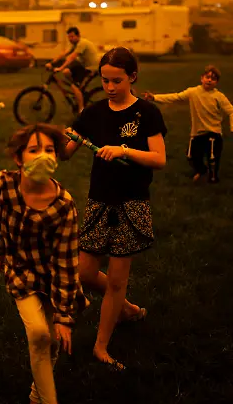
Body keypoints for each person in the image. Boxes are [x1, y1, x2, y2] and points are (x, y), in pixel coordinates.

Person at [63, 47, 167, 370]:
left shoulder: (147, 113)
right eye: (105, 80)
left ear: (133, 77)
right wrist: (55, 139)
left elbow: (159, 159)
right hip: (99, 201)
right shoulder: (93, 113)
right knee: (84, 273)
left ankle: (101, 347)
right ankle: (128, 309)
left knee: (118, 281)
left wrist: (123, 150)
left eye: (117, 81)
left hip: (131, 203)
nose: (110, 87)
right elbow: (65, 152)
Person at [0, 123, 89, 404]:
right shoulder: (2, 184)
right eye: (34, 150)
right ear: (18, 158)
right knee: (38, 333)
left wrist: (64, 316)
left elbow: (66, 262)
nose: (43, 156)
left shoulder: (63, 206)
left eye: (49, 150)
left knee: (53, 339)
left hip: (52, 275)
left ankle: (37, 392)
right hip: (20, 270)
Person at [144, 65, 233, 183]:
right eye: (207, 77)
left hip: (214, 133)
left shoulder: (219, 97)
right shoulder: (193, 92)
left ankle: (213, 179)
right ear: (202, 78)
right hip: (197, 133)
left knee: (213, 159)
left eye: (213, 78)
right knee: (191, 157)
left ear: (217, 82)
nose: (210, 80)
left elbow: (231, 111)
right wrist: (154, 97)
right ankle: (202, 171)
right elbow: (175, 97)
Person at [45, 27, 99, 113]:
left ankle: (81, 110)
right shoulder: (75, 44)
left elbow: (72, 57)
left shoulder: (82, 43)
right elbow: (64, 54)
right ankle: (78, 91)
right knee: (66, 72)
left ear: (78, 36)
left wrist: (60, 67)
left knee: (74, 86)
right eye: (69, 37)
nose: (70, 39)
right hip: (83, 66)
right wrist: (52, 63)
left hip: (91, 68)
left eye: (72, 36)